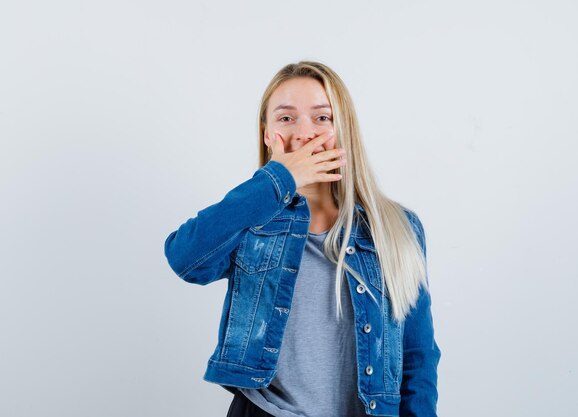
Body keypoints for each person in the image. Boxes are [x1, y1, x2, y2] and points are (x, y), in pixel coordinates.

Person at [164, 61, 441, 417]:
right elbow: (184, 257)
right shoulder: (251, 220)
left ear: (344, 130)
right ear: (267, 133)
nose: (304, 133)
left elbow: (417, 356)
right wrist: (278, 180)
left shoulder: (397, 227)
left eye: (322, 118)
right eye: (286, 118)